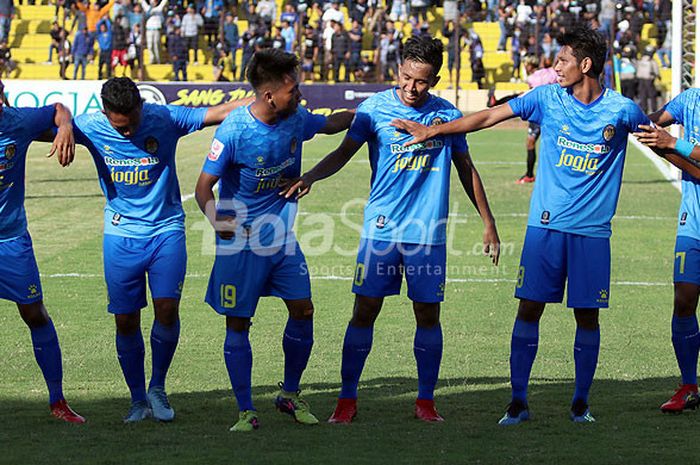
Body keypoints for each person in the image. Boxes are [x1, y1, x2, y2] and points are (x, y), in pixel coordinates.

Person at [392, 24, 649, 424]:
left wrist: (686, 155)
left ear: (585, 64)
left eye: (562, 59)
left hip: (592, 234)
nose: (555, 66)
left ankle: (581, 404)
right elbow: (489, 116)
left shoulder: (622, 110)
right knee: (528, 309)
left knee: (587, 316)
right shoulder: (547, 97)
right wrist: (435, 130)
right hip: (544, 228)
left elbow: (662, 142)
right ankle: (518, 401)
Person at [281, 36, 500, 423]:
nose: (411, 88)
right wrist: (311, 175)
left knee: (428, 315)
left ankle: (426, 402)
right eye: (405, 77)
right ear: (398, 69)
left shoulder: (446, 115)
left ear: (433, 80)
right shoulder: (374, 109)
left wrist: (488, 222)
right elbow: (343, 153)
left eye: (421, 81)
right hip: (381, 231)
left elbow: (466, 169)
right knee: (364, 311)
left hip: (427, 234)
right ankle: (347, 400)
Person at [71, 77, 250, 424]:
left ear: (140, 107)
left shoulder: (164, 118)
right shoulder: (90, 126)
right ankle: (137, 399)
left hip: (167, 229)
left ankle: (157, 387)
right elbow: (46, 120)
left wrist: (266, 100)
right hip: (121, 234)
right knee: (125, 319)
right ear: (105, 112)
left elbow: (217, 112)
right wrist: (64, 128)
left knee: (167, 310)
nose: (126, 133)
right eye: (118, 126)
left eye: (132, 124)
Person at [194, 48, 354, 432]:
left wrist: (368, 114)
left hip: (282, 240)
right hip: (241, 244)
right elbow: (202, 188)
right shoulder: (234, 131)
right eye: (293, 89)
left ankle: (290, 393)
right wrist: (217, 220)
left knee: (303, 309)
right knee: (238, 324)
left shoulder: (296, 119)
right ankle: (245, 410)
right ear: (269, 94)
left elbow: (330, 125)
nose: (299, 95)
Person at [0, 80, 84, 424]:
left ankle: (57, 401)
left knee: (35, 315)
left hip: (11, 241)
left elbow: (57, 108)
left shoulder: (17, 122)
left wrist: (64, 126)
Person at [633, 89, 700, 413]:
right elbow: (650, 123)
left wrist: (673, 144)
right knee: (684, 299)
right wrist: (620, 112)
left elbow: (673, 144)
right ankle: (688, 385)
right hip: (693, 221)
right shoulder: (690, 100)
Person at [516, 56, 558, 184]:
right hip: (552, 112)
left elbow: (532, 95)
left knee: (531, 143)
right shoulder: (550, 72)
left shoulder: (532, 78)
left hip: (539, 114)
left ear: (530, 65)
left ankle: (529, 174)